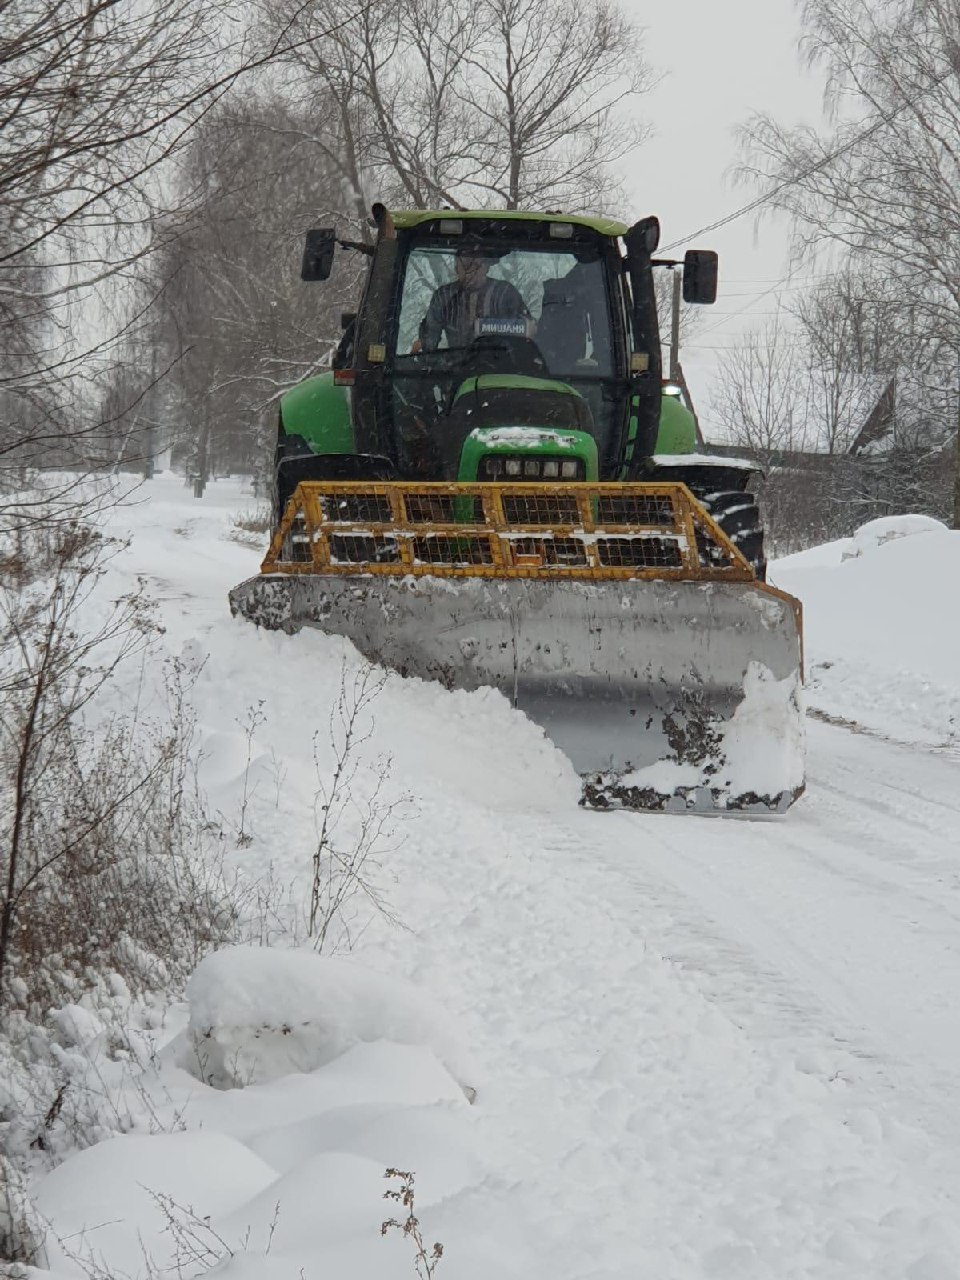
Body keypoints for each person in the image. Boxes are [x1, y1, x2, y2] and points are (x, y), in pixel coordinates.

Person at [413, 247, 530, 352]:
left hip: (499, 370)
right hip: (456, 369)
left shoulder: (505, 293)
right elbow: (428, 341)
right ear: (456, 268)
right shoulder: (444, 297)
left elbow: (527, 332)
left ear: (487, 267)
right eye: (465, 264)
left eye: (477, 264)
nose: (470, 271)